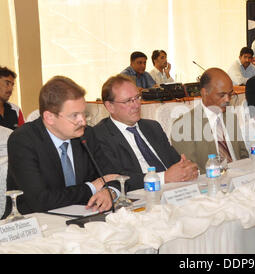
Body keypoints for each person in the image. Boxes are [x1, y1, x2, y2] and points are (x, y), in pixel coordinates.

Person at [3, 76, 119, 217]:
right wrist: (92, 187)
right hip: (35, 223)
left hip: (84, 215)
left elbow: (111, 174)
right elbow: (41, 201)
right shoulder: (23, 140)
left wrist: (110, 191)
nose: (82, 121)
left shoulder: (86, 134)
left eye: (84, 113)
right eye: (74, 115)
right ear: (49, 117)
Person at [93, 74, 198, 192]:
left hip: (173, 192)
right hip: (138, 198)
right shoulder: (99, 135)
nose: (137, 105)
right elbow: (115, 179)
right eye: (128, 101)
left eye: (138, 97)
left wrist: (187, 168)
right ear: (110, 106)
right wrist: (164, 177)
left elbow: (176, 163)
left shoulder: (153, 127)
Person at [171, 68, 248, 173]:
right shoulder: (184, 126)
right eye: (222, 95)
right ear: (204, 93)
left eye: (230, 94)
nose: (227, 100)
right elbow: (190, 171)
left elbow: (243, 155)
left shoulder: (230, 117)